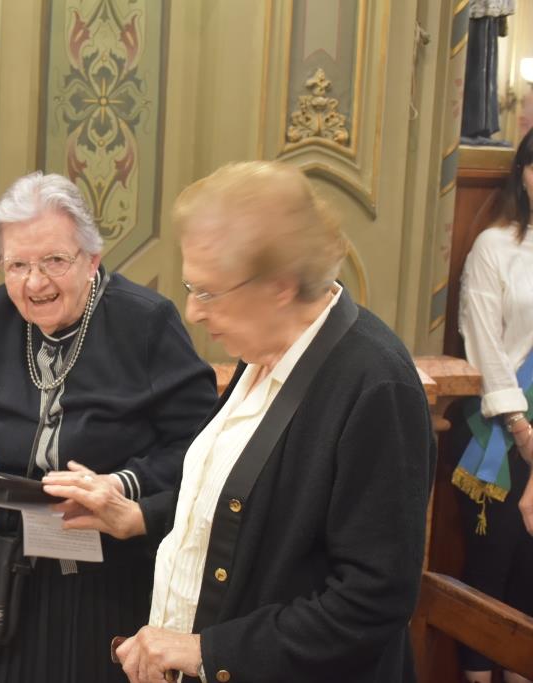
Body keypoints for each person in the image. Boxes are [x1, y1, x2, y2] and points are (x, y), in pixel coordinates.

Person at [44, 161, 436, 683]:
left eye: (207, 292)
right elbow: (238, 509)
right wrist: (134, 516)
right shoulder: (264, 344)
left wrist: (207, 651)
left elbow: (373, 601)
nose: (193, 311)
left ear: (279, 284)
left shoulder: (375, 384)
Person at [0, 171, 217, 683]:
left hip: (114, 577)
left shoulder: (146, 322)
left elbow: (198, 447)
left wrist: (119, 485)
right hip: (15, 574)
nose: (35, 283)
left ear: (92, 259)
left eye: (55, 261)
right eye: (17, 265)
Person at [456, 126, 533, 683]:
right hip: (503, 440)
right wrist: (522, 426)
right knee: (491, 583)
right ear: (523, 174)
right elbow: (483, 339)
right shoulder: (496, 246)